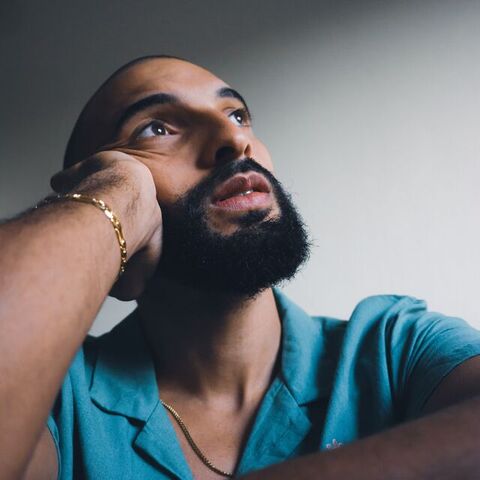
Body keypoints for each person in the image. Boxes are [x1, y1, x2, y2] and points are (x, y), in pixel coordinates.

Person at [1, 55, 480, 480]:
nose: (234, 140)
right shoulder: (57, 401)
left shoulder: (395, 349)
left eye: (237, 115)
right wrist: (115, 196)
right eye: (156, 129)